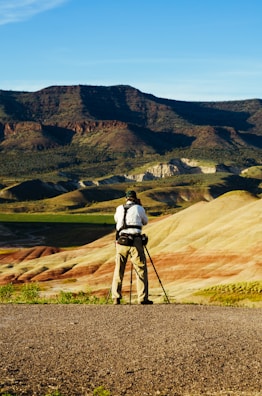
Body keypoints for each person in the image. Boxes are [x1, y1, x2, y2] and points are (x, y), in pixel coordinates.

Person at [111, 190, 153, 305]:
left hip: (121, 241)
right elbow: (145, 222)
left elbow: (117, 220)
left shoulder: (119, 208)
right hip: (135, 241)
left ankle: (116, 297)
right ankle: (142, 298)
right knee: (140, 269)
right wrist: (140, 207)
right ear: (135, 198)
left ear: (126, 199)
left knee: (119, 269)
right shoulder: (139, 208)